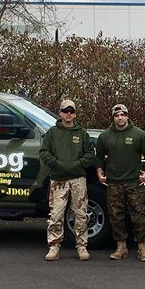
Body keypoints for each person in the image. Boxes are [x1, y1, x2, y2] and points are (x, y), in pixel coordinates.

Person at [95, 104, 145, 262]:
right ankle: (121, 247)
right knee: (116, 216)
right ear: (113, 118)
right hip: (113, 183)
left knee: (139, 215)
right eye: (117, 115)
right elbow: (99, 157)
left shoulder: (139, 134)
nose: (120, 118)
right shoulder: (105, 136)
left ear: (127, 116)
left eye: (123, 115)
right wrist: (99, 172)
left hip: (134, 182)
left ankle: (143, 248)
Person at [39, 99, 95, 261]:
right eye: (65, 111)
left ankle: (82, 246)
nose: (68, 114)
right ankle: (54, 246)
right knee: (56, 213)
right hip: (58, 179)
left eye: (71, 111)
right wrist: (57, 164)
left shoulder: (82, 133)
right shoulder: (52, 132)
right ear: (60, 113)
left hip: (78, 179)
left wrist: (78, 164)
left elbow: (90, 154)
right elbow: (44, 152)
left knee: (81, 214)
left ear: (75, 113)